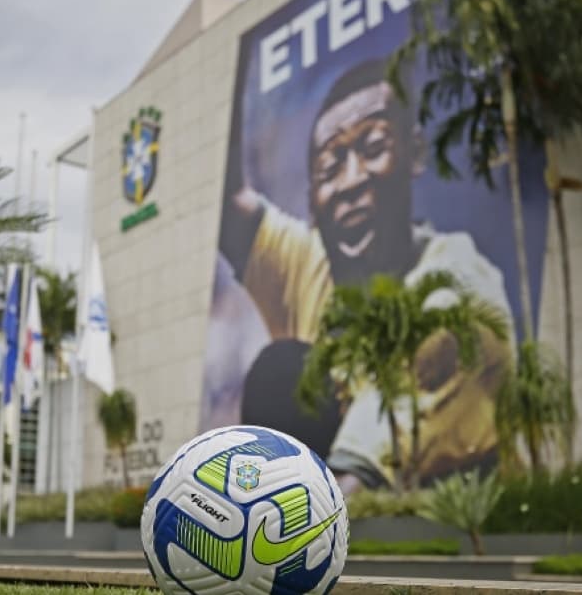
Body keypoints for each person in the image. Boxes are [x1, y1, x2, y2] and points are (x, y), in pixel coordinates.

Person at [218, 58, 516, 492]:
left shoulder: (457, 282)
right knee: (281, 371)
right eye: (330, 168)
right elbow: (228, 206)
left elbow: (357, 477)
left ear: (413, 154)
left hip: (432, 510)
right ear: (313, 203)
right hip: (317, 484)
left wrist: (283, 527)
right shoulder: (313, 264)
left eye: (373, 148)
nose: (352, 180)